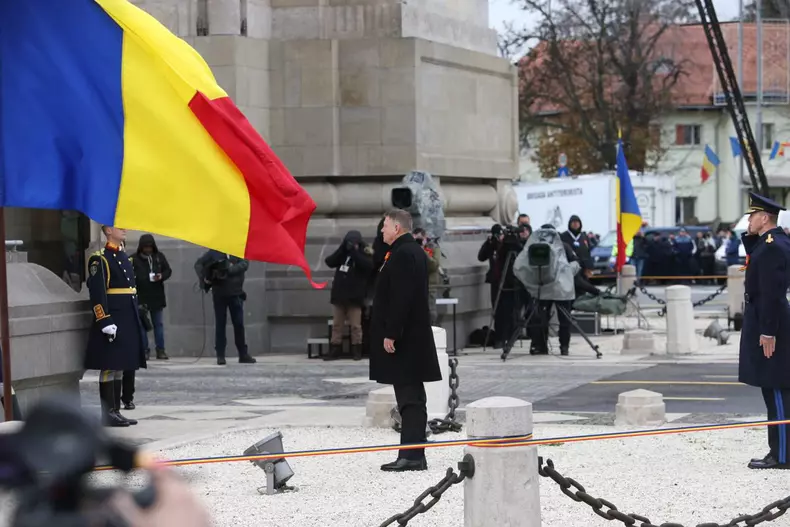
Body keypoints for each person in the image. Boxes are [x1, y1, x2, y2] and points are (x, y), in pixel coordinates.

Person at [369, 209, 441, 472]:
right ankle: (412, 452)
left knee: (410, 398)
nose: (381, 231)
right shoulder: (407, 251)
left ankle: (411, 455)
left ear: (397, 227)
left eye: (385, 226)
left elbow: (401, 297)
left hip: (406, 339)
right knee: (411, 397)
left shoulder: (403, 254)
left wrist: (391, 332)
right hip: (410, 336)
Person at [739, 192, 790, 470]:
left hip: (772, 325)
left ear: (764, 217)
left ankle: (782, 455)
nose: (748, 220)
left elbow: (772, 293)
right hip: (770, 321)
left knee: (777, 389)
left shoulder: (771, 246)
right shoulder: (772, 242)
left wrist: (768, 331)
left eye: (752, 215)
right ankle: (781, 450)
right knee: (774, 389)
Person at [84, 226, 146, 427]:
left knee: (120, 364)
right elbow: (98, 293)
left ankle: (116, 411)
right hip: (113, 319)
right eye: (120, 227)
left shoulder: (123, 257)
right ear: (108, 231)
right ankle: (107, 413)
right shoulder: (100, 259)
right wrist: (104, 320)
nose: (125, 230)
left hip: (126, 317)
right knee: (110, 366)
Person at [194, 250, 257, 365]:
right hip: (219, 294)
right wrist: (205, 277)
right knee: (220, 324)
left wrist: (227, 270)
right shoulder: (213, 253)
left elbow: (244, 264)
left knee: (238, 324)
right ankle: (220, 355)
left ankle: (243, 354)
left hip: (236, 293)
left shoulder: (237, 251)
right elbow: (198, 264)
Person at [324, 230, 373, 361]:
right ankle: (335, 348)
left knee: (356, 326)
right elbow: (329, 261)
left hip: (355, 296)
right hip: (340, 295)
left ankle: (357, 349)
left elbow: (369, 266)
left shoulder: (365, 253)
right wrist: (343, 249)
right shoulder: (343, 254)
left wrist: (355, 252)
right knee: (337, 325)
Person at [132, 234, 172, 362]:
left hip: (156, 296)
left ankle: (160, 349)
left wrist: (161, 276)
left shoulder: (159, 257)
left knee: (158, 324)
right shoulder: (134, 259)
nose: (148, 250)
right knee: (142, 325)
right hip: (141, 296)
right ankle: (144, 350)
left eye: (150, 247)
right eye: (146, 247)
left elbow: (168, 271)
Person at [413, 228, 441, 325]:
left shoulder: (433, 247)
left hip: (429, 287)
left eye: (420, 239)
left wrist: (421, 250)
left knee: (429, 313)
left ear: (425, 238)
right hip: (414, 287)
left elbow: (433, 265)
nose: (418, 242)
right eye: (415, 240)